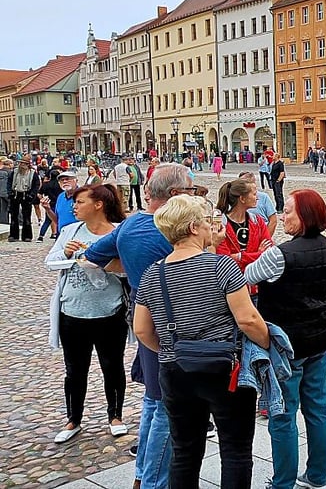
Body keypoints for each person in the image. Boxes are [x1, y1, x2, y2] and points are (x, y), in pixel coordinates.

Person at [133, 194, 270, 489]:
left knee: (184, 450)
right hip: (224, 370)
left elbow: (142, 330)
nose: (212, 227)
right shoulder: (222, 267)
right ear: (193, 227)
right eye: (207, 222)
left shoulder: (153, 273)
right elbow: (248, 319)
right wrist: (269, 344)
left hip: (175, 371)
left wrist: (170, 350)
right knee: (235, 450)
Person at [84, 163, 195, 488]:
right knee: (166, 406)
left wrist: (131, 268)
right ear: (175, 194)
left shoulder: (130, 225)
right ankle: (153, 481)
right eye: (190, 191)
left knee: (152, 400)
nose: (194, 197)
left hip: (142, 316)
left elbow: (93, 256)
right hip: (173, 323)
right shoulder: (170, 230)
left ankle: (141, 475)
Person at [244, 189, 326, 487]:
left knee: (283, 413)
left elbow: (246, 276)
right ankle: (318, 475)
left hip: (286, 345)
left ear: (304, 216)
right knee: (317, 407)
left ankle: (283, 482)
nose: (282, 216)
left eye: (288, 211)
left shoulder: (280, 255)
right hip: (320, 337)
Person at [45, 184, 128, 444]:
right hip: (72, 312)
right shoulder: (70, 231)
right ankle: (73, 419)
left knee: (112, 366)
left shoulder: (118, 232)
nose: (74, 207)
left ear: (98, 205)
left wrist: (105, 264)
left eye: (80, 202)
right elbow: (50, 262)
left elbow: (128, 269)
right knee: (74, 370)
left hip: (109, 312)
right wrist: (66, 253)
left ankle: (115, 416)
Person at [216, 179, 273, 302]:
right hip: (232, 289)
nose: (257, 197)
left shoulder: (257, 221)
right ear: (242, 198)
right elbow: (224, 260)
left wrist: (239, 257)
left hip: (257, 287)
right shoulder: (221, 226)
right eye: (254, 194)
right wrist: (258, 253)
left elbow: (268, 253)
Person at [7, 155, 41, 242]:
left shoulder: (32, 173)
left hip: (26, 194)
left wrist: (32, 195)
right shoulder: (14, 172)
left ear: (28, 164)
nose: (22, 165)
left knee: (26, 216)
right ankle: (13, 235)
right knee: (14, 216)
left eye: (24, 163)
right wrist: (9, 192)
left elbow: (36, 185)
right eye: (21, 163)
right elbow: (9, 182)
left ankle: (27, 236)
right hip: (15, 194)